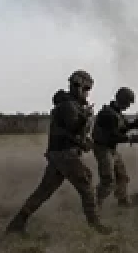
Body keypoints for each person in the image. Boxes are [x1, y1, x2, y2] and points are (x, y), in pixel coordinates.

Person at [6, 70, 111, 235]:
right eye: (85, 89)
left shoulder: (70, 105)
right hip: (65, 154)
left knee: (44, 191)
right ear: (79, 86)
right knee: (86, 183)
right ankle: (95, 224)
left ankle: (17, 223)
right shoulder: (69, 106)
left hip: (60, 155)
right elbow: (73, 128)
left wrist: (84, 139)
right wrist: (85, 119)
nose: (87, 93)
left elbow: (73, 133)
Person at [93, 86, 138, 209]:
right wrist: (131, 139)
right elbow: (113, 136)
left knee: (122, 176)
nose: (128, 106)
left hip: (111, 149)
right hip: (103, 149)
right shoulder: (107, 114)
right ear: (122, 100)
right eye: (128, 103)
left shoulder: (117, 113)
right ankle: (94, 204)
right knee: (108, 180)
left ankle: (123, 201)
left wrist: (134, 125)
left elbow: (122, 128)